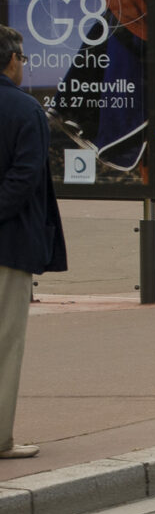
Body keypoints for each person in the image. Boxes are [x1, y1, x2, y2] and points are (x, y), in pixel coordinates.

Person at [0, 25, 67, 459]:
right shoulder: (25, 109)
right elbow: (25, 178)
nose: (24, 65)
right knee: (6, 343)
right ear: (10, 61)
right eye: (22, 59)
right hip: (9, 243)